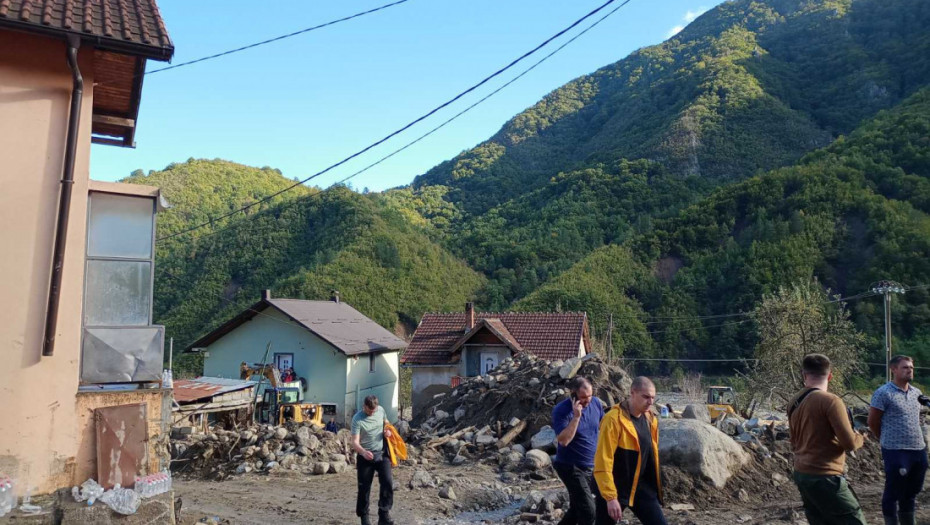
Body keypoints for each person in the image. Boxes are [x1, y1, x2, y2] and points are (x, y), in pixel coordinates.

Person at [787, 353, 867, 525]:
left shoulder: (794, 401)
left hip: (802, 474)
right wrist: (861, 437)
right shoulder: (831, 401)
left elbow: (793, 440)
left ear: (804, 374)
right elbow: (849, 443)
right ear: (830, 375)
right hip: (825, 476)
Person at [594, 376, 665, 525]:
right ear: (632, 393)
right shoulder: (613, 419)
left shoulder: (651, 419)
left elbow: (652, 456)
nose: (650, 402)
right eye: (646, 397)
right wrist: (610, 497)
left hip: (641, 488)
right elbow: (603, 461)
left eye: (653, 397)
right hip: (616, 487)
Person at [869, 355, 928, 525]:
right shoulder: (883, 393)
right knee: (893, 492)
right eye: (905, 367)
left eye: (911, 367)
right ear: (893, 369)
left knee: (911, 492)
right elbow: (873, 421)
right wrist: (885, 439)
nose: (910, 370)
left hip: (917, 448)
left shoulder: (917, 393)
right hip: (895, 449)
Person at [551, 376, 606, 525]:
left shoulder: (595, 403)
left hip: (590, 466)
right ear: (573, 394)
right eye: (583, 398)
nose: (587, 401)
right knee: (589, 511)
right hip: (570, 467)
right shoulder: (561, 410)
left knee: (576, 510)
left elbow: (604, 426)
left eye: (589, 396)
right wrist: (576, 417)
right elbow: (563, 440)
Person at [351, 395, 394, 525]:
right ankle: (364, 517)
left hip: (381, 453)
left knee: (387, 482)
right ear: (364, 406)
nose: (372, 413)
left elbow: (386, 425)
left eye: (373, 411)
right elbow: (354, 442)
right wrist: (363, 452)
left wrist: (388, 432)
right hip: (365, 456)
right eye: (369, 411)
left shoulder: (380, 410)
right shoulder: (357, 419)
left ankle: (384, 514)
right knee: (364, 488)